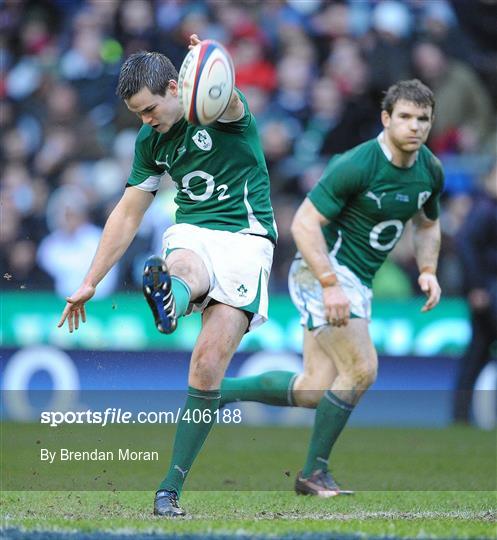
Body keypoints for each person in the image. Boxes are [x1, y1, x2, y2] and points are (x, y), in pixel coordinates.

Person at [58, 34, 277, 517]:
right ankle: (170, 299)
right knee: (181, 265)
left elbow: (227, 92)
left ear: (178, 87)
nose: (146, 120)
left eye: (150, 108)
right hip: (195, 231)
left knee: (207, 365)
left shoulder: (225, 116)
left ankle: (170, 483)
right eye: (138, 114)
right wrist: (91, 280)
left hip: (246, 239)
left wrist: (210, 63)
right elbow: (128, 212)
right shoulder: (150, 140)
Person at [221, 79, 444, 497]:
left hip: (355, 280)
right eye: (406, 117)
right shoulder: (357, 164)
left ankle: (216, 390)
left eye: (423, 119)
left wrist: (428, 269)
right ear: (386, 119)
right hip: (321, 271)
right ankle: (313, 474)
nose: (415, 126)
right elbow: (303, 223)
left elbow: (428, 225)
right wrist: (329, 285)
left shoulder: (430, 169)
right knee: (362, 368)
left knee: (313, 389)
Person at [453, 162, 497, 423]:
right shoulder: (484, 209)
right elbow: (467, 248)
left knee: (477, 354)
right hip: (489, 294)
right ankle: (459, 414)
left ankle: (460, 415)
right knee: (477, 353)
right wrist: (477, 287)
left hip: (489, 291)